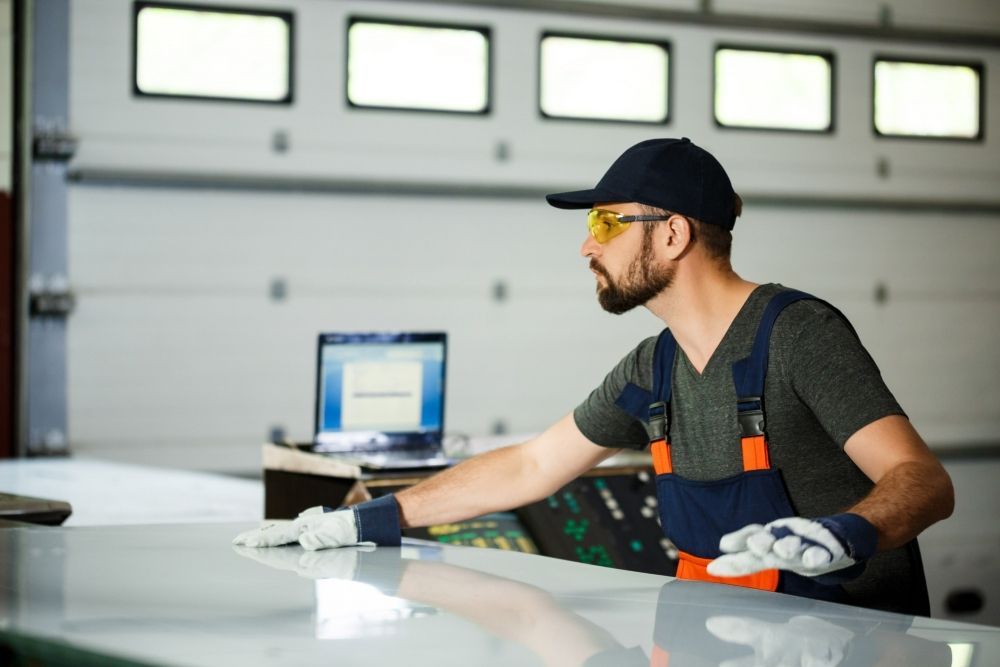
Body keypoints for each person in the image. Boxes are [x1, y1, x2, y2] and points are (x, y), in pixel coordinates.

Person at [234, 138, 954, 615]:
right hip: (717, 642)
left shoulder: (798, 335)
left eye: (609, 224)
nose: (586, 244)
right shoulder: (654, 367)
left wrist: (847, 532)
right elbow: (532, 464)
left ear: (671, 233)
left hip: (851, 641)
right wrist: (368, 518)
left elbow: (922, 479)